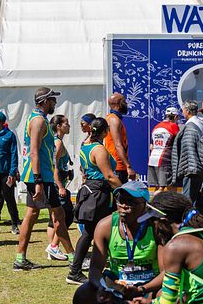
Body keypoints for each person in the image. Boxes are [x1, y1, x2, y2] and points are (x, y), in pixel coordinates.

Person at [70, 182, 164, 304]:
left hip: (149, 286)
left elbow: (166, 273)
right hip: (116, 284)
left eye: (131, 202)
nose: (123, 206)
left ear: (145, 205)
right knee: (82, 295)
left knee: (164, 296)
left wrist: (142, 289)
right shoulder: (105, 225)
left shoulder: (156, 226)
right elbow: (95, 269)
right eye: (120, 200)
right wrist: (102, 287)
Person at [14, 87, 74, 270]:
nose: (55, 103)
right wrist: (38, 180)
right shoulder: (39, 121)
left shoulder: (38, 119)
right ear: (45, 101)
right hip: (40, 177)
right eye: (53, 100)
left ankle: (19, 257)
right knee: (59, 215)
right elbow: (33, 151)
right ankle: (73, 258)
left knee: (31, 216)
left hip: (38, 176)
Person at [68, 117, 123, 284]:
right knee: (92, 231)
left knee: (98, 231)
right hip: (99, 192)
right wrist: (124, 191)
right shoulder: (99, 149)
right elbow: (108, 175)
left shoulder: (86, 145)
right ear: (105, 132)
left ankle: (105, 267)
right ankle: (75, 271)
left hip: (93, 190)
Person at [171, 101, 203, 216]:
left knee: (187, 198)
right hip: (201, 165)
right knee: (197, 196)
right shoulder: (202, 124)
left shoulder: (190, 127)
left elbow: (189, 151)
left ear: (187, 111)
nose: (182, 112)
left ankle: (185, 221)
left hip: (191, 167)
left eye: (183, 110)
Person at [47, 115, 76, 261]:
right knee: (66, 216)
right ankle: (53, 246)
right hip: (58, 184)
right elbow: (54, 167)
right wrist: (60, 186)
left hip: (58, 183)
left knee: (54, 218)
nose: (69, 126)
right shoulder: (57, 143)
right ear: (58, 126)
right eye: (66, 123)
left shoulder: (57, 141)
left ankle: (53, 248)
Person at [148, 107, 180, 192]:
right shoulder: (174, 126)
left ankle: (154, 204)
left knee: (157, 187)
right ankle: (173, 205)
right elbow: (178, 144)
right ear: (176, 116)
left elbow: (151, 146)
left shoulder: (156, 127)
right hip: (165, 160)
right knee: (169, 188)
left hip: (152, 159)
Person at [106, 93, 134, 183]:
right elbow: (118, 145)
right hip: (117, 166)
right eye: (124, 101)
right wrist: (128, 167)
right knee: (120, 195)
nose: (126, 104)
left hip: (118, 165)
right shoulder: (113, 119)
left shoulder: (114, 118)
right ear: (118, 104)